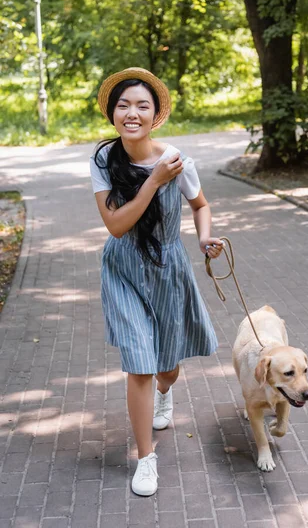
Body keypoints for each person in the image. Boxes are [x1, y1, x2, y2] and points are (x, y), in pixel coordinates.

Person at [89, 67, 223, 497]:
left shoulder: (177, 159)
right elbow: (115, 225)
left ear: (155, 115)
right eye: (123, 105)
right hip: (123, 271)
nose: (132, 113)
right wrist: (153, 182)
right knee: (140, 362)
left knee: (166, 365)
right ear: (112, 113)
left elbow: (201, 205)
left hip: (168, 268)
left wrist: (204, 238)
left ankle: (167, 392)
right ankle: (146, 458)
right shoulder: (103, 162)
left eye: (141, 106)